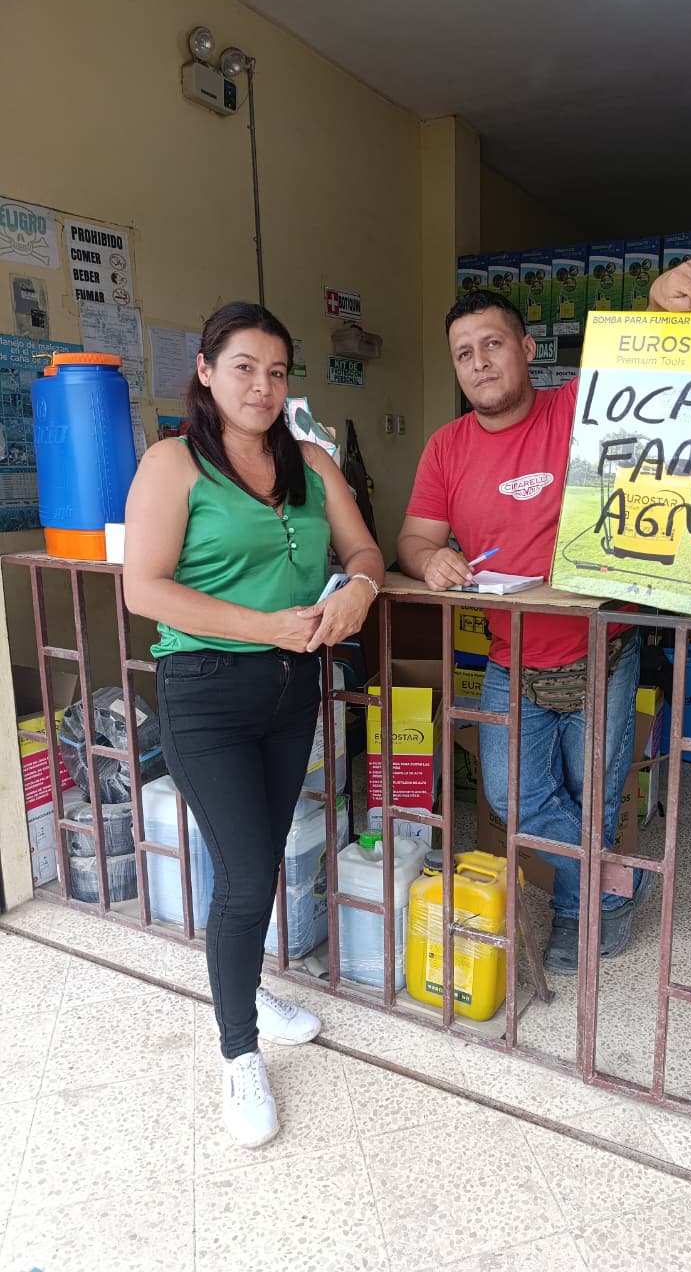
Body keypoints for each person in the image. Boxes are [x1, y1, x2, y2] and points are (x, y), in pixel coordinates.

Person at [397, 262, 691, 974]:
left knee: (593, 798)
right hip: (510, 658)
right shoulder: (446, 447)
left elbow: (638, 368)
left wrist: (657, 304)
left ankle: (580, 914)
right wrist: (430, 560)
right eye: (463, 353)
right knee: (511, 796)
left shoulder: (579, 407)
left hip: (603, 649)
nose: (479, 362)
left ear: (527, 348)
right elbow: (414, 538)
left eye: (493, 343)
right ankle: (616, 881)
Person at [124, 302, 384, 1147]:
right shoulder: (173, 463)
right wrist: (266, 626)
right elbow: (144, 588)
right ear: (205, 371)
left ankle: (248, 989)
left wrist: (360, 589)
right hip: (205, 693)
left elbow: (365, 551)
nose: (261, 387)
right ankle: (238, 1051)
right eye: (243, 368)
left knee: (261, 859)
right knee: (243, 878)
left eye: (275, 372)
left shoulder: (311, 462)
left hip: (291, 691)